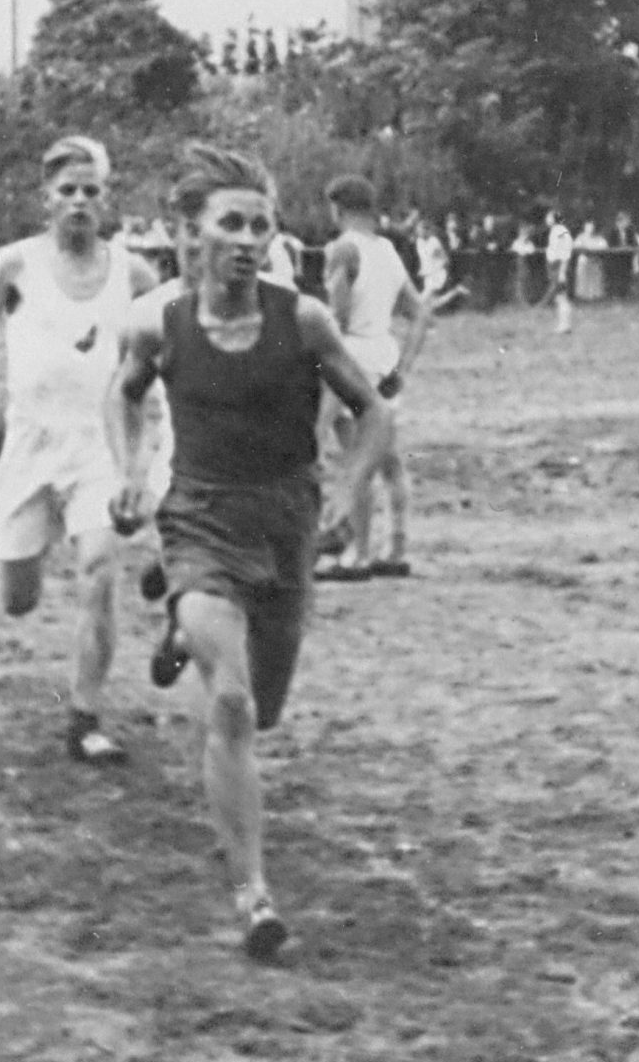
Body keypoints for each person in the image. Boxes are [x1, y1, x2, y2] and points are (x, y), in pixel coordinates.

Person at [105, 144, 391, 960]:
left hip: (285, 520)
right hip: (197, 516)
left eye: (260, 225)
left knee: (263, 706)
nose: (247, 239)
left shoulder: (300, 319)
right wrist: (129, 471)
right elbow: (120, 395)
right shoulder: (159, 324)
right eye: (230, 223)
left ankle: (180, 623)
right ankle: (254, 895)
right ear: (190, 233)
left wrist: (348, 492)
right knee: (227, 703)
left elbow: (374, 412)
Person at [0, 136, 166, 764]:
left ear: (107, 200)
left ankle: (86, 716)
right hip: (28, 440)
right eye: (67, 191)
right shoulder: (16, 264)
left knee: (99, 570)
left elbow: (169, 357)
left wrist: (145, 454)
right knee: (19, 598)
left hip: (99, 442)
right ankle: (2, 547)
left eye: (90, 191)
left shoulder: (134, 273)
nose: (78, 202)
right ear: (46, 199)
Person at [316, 175, 431, 582]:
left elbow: (338, 317)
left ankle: (357, 554)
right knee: (389, 460)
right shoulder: (386, 250)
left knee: (355, 459)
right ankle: (396, 546)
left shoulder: (344, 249)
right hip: (384, 354)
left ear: (339, 209)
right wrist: (404, 369)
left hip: (351, 356)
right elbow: (419, 314)